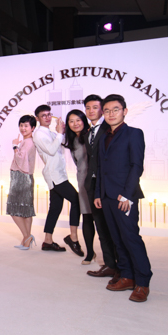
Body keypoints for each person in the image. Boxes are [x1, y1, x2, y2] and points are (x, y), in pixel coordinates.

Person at [94, 94, 152, 302]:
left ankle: (143, 282)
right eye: (107, 111)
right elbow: (101, 168)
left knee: (130, 238)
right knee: (117, 239)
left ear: (124, 111)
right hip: (106, 196)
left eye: (115, 110)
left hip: (124, 197)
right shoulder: (103, 136)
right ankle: (127, 276)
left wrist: (127, 195)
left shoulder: (134, 133)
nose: (111, 114)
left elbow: (137, 166)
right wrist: (98, 193)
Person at [32, 104, 83, 256]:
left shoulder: (50, 132)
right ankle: (73, 237)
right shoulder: (38, 134)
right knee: (76, 200)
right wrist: (60, 133)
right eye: (43, 115)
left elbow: (62, 146)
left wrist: (62, 132)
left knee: (55, 207)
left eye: (49, 114)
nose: (47, 118)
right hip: (55, 175)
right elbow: (52, 150)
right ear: (37, 118)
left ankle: (47, 241)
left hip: (58, 173)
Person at [83, 95, 119, 281]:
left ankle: (122, 268)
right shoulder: (88, 132)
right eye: (88, 108)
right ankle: (109, 265)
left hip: (108, 185)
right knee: (101, 227)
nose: (91, 111)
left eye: (95, 107)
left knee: (114, 227)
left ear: (102, 110)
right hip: (93, 185)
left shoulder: (109, 129)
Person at [64, 109, 95, 264]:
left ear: (84, 121)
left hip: (96, 181)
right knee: (87, 217)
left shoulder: (91, 136)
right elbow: (78, 164)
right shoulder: (72, 141)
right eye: (71, 121)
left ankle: (111, 256)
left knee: (101, 219)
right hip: (82, 181)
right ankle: (90, 253)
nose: (75, 124)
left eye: (78, 120)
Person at [6, 115, 37, 250]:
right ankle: (26, 239)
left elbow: (20, 158)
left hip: (21, 177)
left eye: (26, 126)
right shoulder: (29, 141)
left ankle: (27, 236)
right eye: (21, 125)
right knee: (26, 209)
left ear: (33, 128)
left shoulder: (28, 142)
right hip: (27, 177)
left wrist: (15, 146)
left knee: (13, 209)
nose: (23, 128)